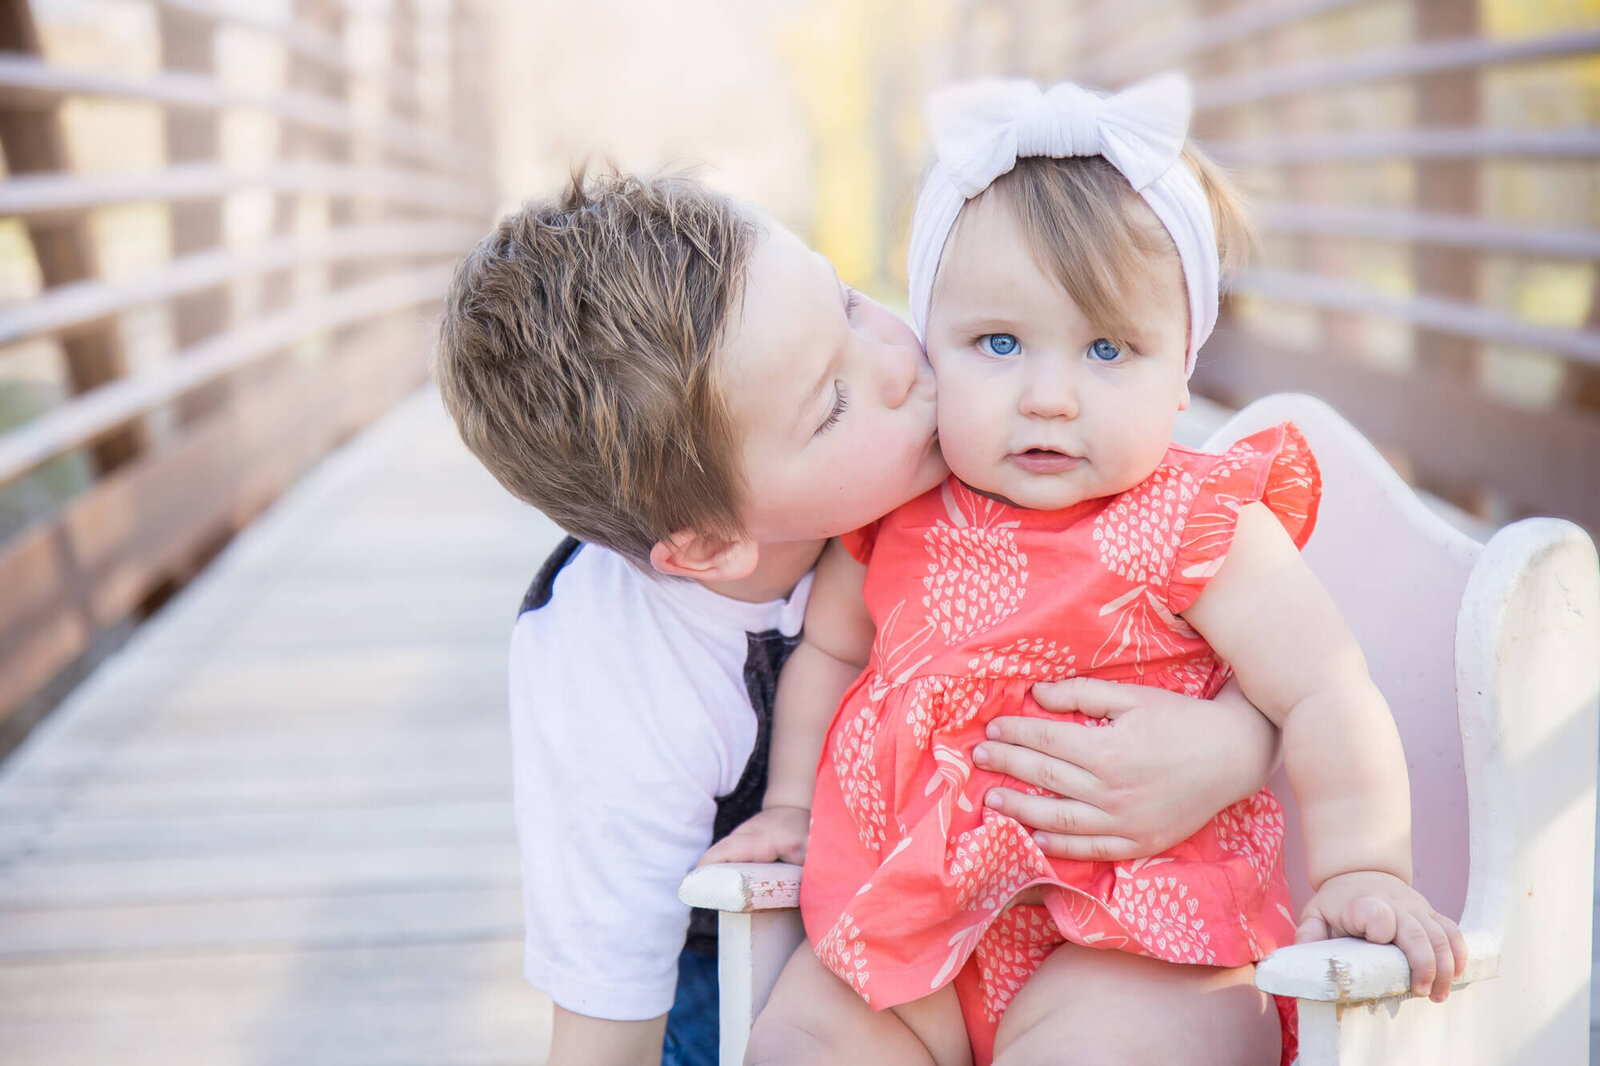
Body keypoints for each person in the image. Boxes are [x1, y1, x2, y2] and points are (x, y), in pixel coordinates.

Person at [434, 169, 1283, 1066]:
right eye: (830, 402)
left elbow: (1224, 604)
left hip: (1081, 941)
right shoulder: (616, 687)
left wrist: (1239, 741)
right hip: (757, 957)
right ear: (714, 543)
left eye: (845, 303)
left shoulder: (994, 426)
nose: (895, 363)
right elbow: (606, 1013)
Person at [716, 75, 1467, 1066]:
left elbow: (1327, 688)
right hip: (900, 925)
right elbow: (825, 652)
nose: (1049, 396)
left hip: (1137, 939)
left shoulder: (1199, 523)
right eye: (996, 342)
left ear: (1181, 366)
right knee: (802, 1042)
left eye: (1108, 348)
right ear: (930, 337)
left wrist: (1366, 865)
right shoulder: (895, 512)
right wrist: (791, 809)